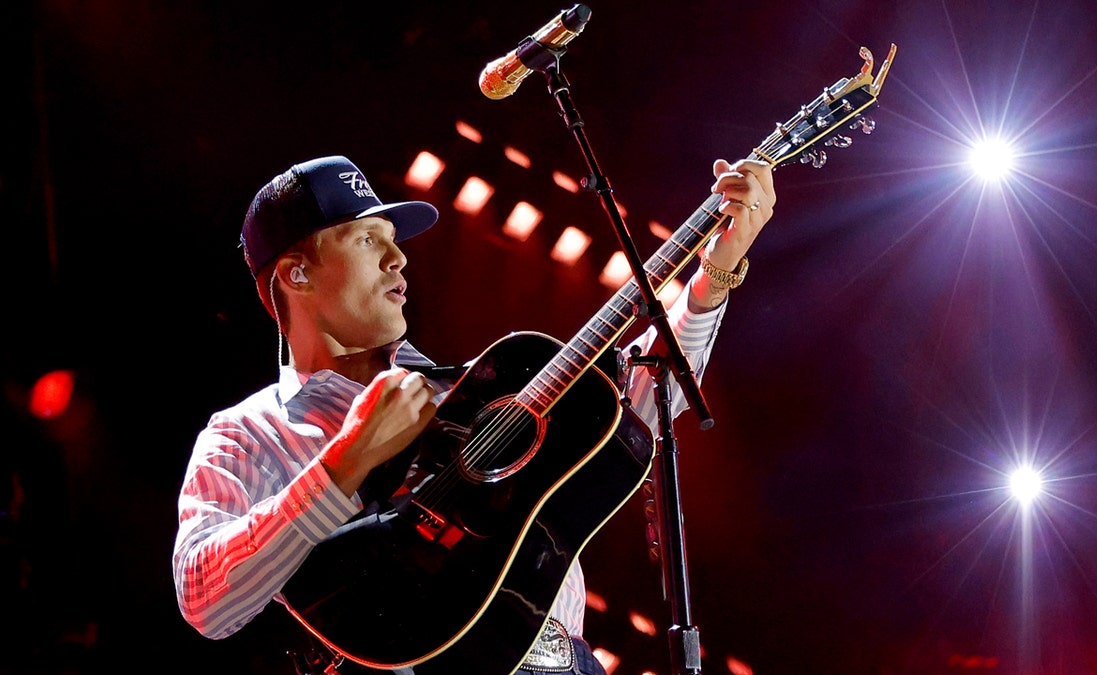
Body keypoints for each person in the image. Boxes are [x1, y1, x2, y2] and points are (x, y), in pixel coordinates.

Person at [172, 153, 775, 674]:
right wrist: (345, 461)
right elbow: (205, 600)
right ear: (295, 272)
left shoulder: (472, 389)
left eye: (394, 240)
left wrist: (713, 277)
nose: (398, 260)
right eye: (366, 240)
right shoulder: (248, 435)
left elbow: (634, 419)